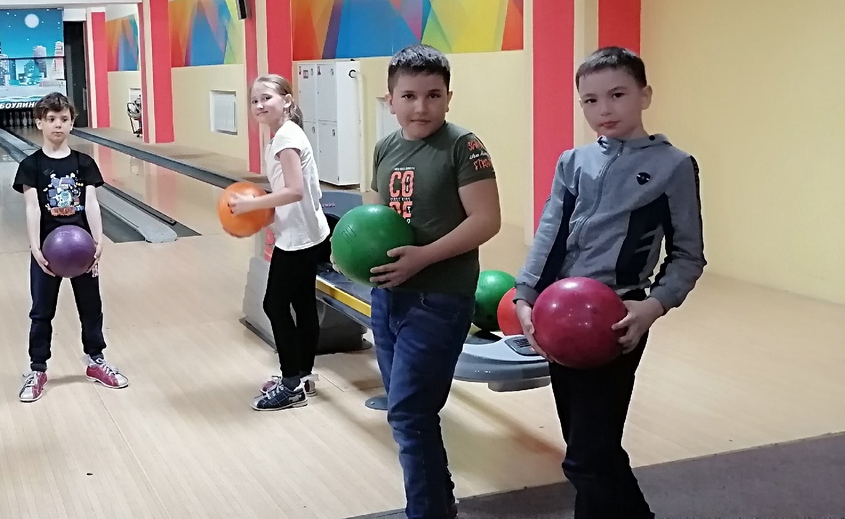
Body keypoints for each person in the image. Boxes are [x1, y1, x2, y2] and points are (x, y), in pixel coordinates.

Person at [514, 46, 706, 519]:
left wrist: (653, 306)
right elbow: (549, 235)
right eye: (591, 100)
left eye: (617, 95)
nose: (604, 109)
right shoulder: (572, 162)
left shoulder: (674, 166)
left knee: (586, 457)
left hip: (617, 321)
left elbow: (688, 256)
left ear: (645, 95)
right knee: (592, 448)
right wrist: (525, 297)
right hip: (559, 318)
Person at [364, 44, 502, 519]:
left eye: (433, 95)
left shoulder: (463, 146)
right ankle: (439, 503)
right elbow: (375, 212)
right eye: (409, 96)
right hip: (388, 297)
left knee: (409, 412)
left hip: (440, 298)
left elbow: (486, 220)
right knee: (408, 410)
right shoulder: (385, 147)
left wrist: (422, 258)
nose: (421, 107)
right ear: (390, 100)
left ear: (448, 98)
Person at [13, 92, 128, 403]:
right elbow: (32, 208)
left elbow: (91, 204)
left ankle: (96, 360)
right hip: (46, 251)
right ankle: (37, 369)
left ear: (72, 122)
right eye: (51, 119)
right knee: (41, 311)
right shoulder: (30, 166)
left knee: (91, 308)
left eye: (64, 119)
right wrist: (36, 249)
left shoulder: (83, 163)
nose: (58, 125)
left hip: (82, 250)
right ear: (39, 123)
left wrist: (99, 241)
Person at [228, 74, 331, 411]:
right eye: (254, 100)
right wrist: (265, 218)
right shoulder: (286, 134)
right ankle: (303, 375)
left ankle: (291, 385)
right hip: (306, 231)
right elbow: (297, 193)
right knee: (302, 303)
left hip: (299, 239)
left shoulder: (286, 138)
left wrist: (251, 206)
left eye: (267, 98)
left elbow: (295, 190)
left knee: (274, 305)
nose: (259, 105)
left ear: (286, 100)